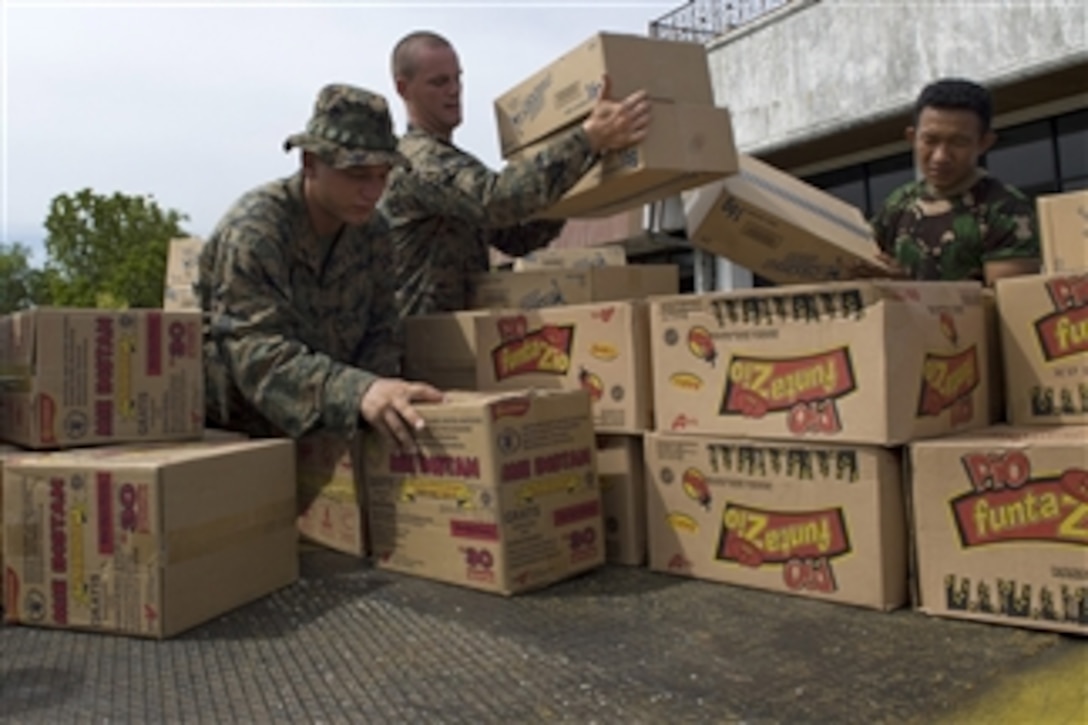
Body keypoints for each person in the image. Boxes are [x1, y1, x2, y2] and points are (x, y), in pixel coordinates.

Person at [198, 83, 442, 452]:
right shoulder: (257, 229)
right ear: (310, 163)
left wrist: (382, 397)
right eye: (358, 174)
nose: (373, 191)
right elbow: (255, 351)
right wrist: (359, 391)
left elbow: (382, 331)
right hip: (241, 435)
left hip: (333, 424)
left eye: (383, 175)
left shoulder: (372, 230)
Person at [380, 30, 653, 318]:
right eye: (439, 82)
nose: (454, 90)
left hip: (455, 340)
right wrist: (587, 140)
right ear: (403, 88)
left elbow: (518, 238)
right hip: (417, 348)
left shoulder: (454, 161)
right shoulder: (417, 161)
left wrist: (575, 173)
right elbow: (497, 201)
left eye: (457, 78)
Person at [866, 78, 1040, 285]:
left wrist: (908, 289)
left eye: (958, 142)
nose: (940, 157)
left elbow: (1008, 305)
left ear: (984, 143)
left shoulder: (1006, 210)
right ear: (913, 138)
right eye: (930, 140)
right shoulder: (898, 204)